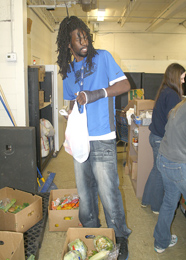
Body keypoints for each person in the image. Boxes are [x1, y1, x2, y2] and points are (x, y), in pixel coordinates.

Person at [56, 16, 131, 260]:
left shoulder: (103, 58)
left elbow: (124, 85)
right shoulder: (67, 71)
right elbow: (71, 100)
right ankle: (92, 233)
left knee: (109, 192)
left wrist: (96, 94)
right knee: (85, 194)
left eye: (84, 35)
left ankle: (120, 237)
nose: (83, 40)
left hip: (103, 136)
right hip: (80, 140)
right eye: (77, 38)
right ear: (69, 44)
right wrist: (69, 113)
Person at [141, 63, 185, 214]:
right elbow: (174, 123)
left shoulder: (165, 90)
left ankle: (146, 200)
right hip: (161, 139)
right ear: (175, 76)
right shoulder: (172, 95)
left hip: (155, 136)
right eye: (182, 77)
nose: (184, 81)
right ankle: (156, 206)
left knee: (156, 170)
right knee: (160, 172)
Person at [154, 94, 186, 253]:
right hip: (179, 164)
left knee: (169, 202)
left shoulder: (179, 106)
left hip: (164, 159)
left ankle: (161, 242)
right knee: (170, 201)